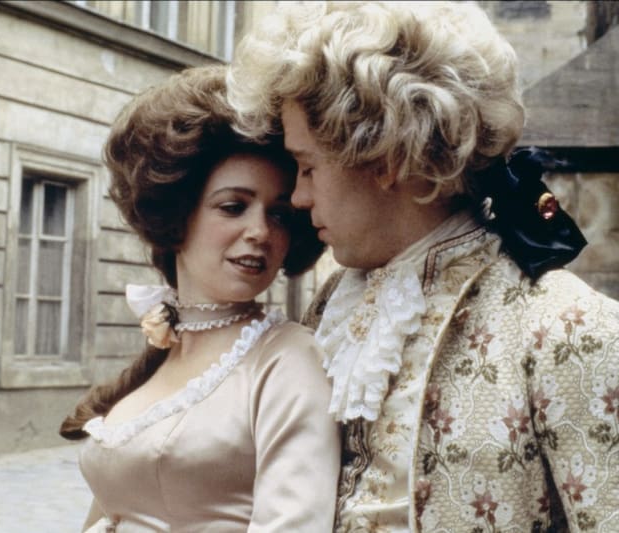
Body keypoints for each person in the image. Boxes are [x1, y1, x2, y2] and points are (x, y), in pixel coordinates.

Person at [227, 1, 619, 531]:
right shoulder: (334, 306)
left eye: (308, 167)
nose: (298, 197)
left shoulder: (568, 329)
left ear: (384, 157)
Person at [59, 65, 340, 532]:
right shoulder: (163, 354)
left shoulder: (289, 360)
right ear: (177, 216)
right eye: (233, 207)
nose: (260, 231)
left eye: (279, 215)